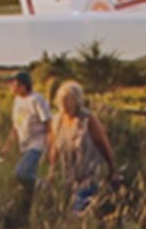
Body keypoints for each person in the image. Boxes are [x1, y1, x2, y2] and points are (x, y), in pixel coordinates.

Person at [45, 82, 116, 215]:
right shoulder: (56, 121)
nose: (64, 103)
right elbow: (54, 146)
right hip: (67, 175)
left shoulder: (87, 119)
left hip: (88, 175)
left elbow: (103, 143)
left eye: (68, 99)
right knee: (63, 209)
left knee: (77, 212)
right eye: (61, 99)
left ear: (77, 101)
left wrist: (112, 169)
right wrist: (52, 170)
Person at [4, 71, 50, 189]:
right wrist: (8, 144)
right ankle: (36, 198)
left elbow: (48, 123)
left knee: (21, 173)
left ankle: (45, 187)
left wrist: (51, 146)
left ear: (23, 85)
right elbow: (16, 123)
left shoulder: (36, 99)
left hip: (38, 144)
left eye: (13, 84)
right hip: (24, 144)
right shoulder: (17, 100)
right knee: (27, 177)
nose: (10, 87)